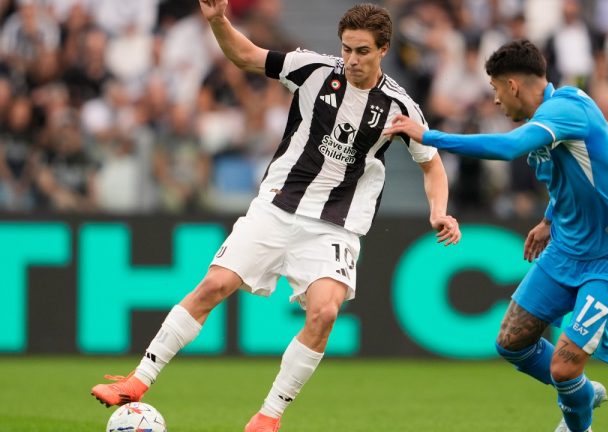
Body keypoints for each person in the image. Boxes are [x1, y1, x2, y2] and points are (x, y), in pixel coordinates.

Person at [90, 2, 461, 431]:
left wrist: (438, 212)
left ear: (383, 49)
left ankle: (269, 416)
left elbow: (431, 164)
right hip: (276, 206)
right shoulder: (315, 70)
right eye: (347, 49)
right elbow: (246, 55)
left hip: (334, 226)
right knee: (214, 284)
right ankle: (138, 380)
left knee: (324, 312)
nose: (352, 60)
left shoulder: (400, 106)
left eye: (362, 51)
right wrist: (217, 21)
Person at [386, 40, 608, 432]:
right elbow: (571, 178)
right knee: (511, 342)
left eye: (494, 90)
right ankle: (580, 391)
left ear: (512, 85)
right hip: (566, 247)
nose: (494, 101)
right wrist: (548, 220)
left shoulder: (567, 109)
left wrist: (429, 136)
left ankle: (577, 416)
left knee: (562, 366)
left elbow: (509, 149)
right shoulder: (548, 123)